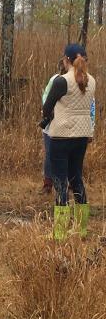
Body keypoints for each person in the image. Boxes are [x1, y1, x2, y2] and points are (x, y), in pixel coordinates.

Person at [41, 43, 96, 240]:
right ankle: (81, 229)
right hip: (81, 136)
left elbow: (47, 107)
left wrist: (46, 119)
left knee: (60, 182)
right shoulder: (92, 81)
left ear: (67, 60)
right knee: (76, 178)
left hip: (61, 136)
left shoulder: (60, 81)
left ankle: (60, 232)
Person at [40, 60, 66, 194]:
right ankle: (48, 183)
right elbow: (46, 97)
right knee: (50, 154)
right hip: (51, 124)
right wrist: (48, 112)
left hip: (68, 126)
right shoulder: (54, 80)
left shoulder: (80, 81)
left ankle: (69, 184)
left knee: (68, 156)